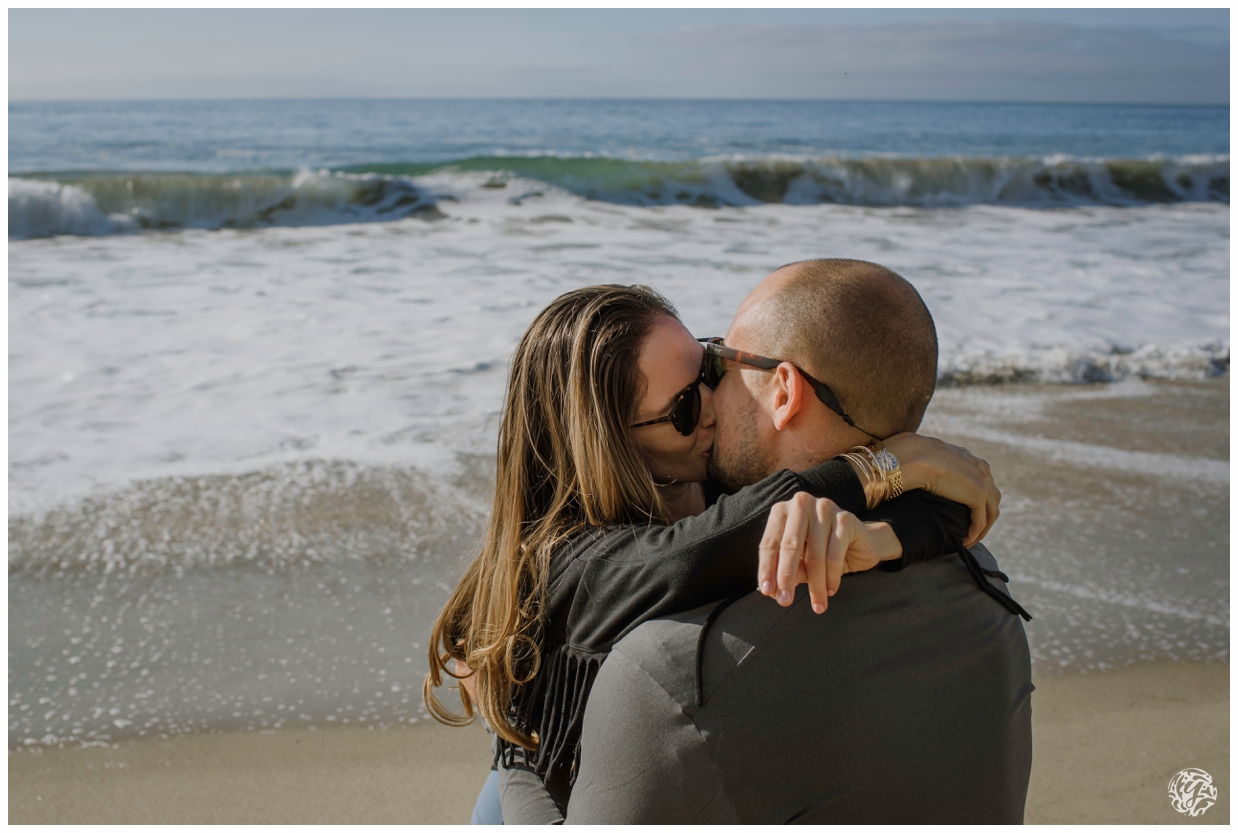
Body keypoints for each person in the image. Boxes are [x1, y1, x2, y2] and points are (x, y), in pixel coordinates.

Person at [423, 280, 1002, 822]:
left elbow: (948, 505)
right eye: (681, 409)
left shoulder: (714, 483)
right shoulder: (565, 561)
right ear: (609, 444)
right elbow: (685, 557)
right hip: (538, 791)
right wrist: (885, 465)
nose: (712, 403)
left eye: (708, 368)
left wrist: (879, 535)